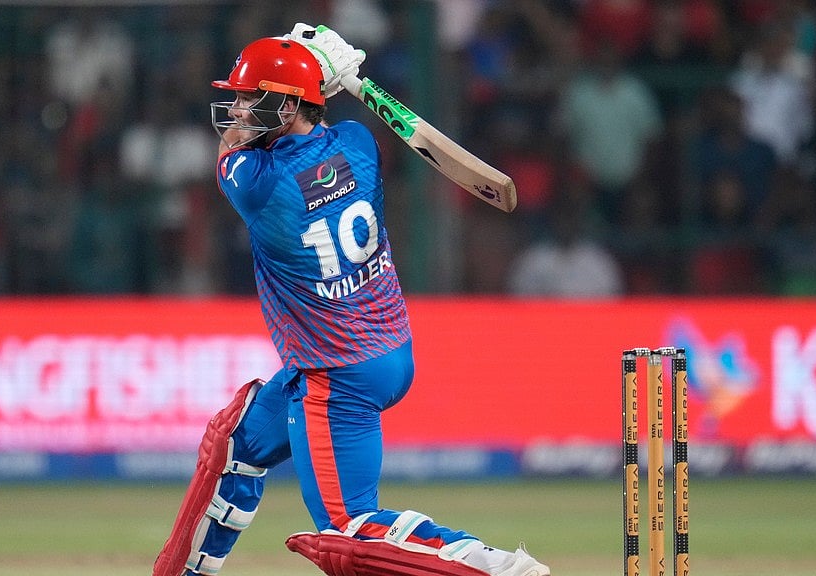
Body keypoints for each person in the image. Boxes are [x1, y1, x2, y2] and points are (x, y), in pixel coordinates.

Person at [153, 25, 550, 576]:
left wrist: (316, 71)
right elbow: (319, 133)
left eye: (250, 97)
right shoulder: (360, 145)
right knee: (235, 444)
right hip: (388, 350)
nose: (237, 110)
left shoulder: (254, 182)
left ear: (288, 104)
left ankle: (493, 569)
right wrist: (328, 76)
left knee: (349, 530)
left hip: (334, 373)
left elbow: (234, 149)